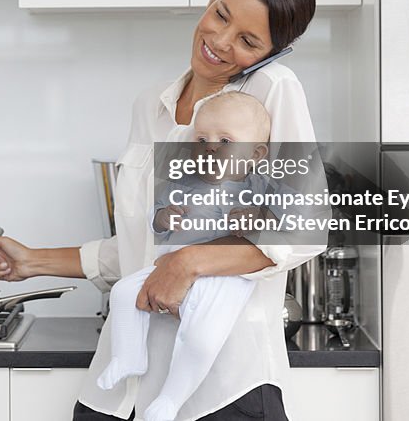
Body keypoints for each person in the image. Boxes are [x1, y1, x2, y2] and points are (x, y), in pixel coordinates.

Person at [0, 0, 322, 421]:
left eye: (247, 40)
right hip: (120, 392)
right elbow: (140, 252)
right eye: (221, 14)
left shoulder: (271, 90)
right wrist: (33, 261)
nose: (219, 42)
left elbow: (305, 230)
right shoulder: (152, 105)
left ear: (272, 52)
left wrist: (189, 261)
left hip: (220, 390)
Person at [97, 91, 276, 421]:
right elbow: (157, 222)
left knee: (202, 337)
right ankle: (128, 356)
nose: (210, 146)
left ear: (255, 153)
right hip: (169, 269)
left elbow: (275, 229)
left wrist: (254, 219)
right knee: (123, 293)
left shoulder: (257, 185)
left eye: (225, 140)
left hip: (223, 279)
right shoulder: (184, 181)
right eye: (202, 138)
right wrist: (163, 217)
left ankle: (170, 399)